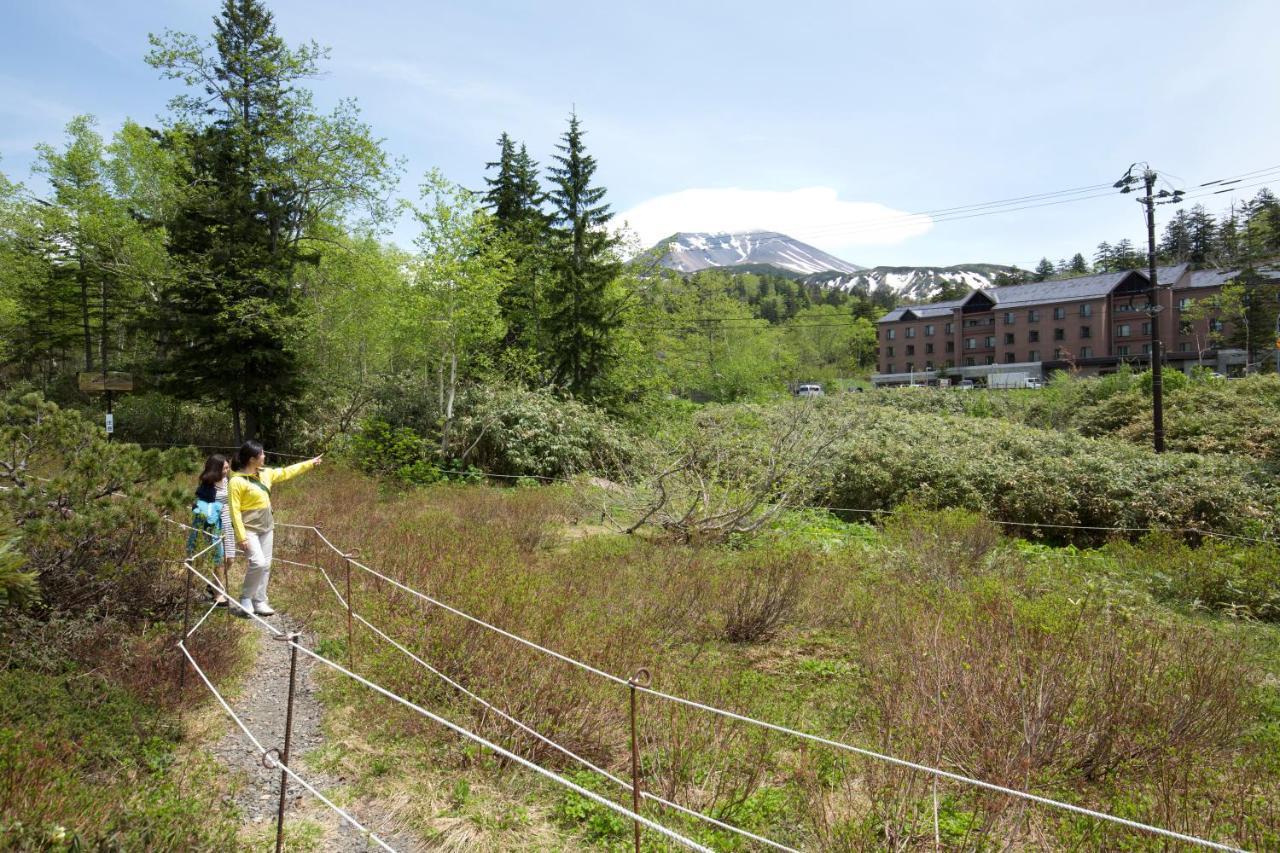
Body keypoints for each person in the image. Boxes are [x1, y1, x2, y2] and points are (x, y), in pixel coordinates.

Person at [228, 441, 322, 617]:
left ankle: (260, 600)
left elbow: (287, 472)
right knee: (258, 563)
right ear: (252, 459)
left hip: (267, 527)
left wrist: (310, 463)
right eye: (262, 454)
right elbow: (234, 511)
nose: (264, 456)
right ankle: (246, 598)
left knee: (266, 565)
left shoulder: (266, 474)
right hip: (249, 530)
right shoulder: (236, 482)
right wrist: (241, 537)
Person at [187, 454, 228, 604]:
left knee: (229, 559)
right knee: (219, 559)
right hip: (213, 527)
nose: (226, 471)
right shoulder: (207, 487)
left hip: (228, 524)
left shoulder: (228, 482)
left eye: (227, 467)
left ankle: (211, 586)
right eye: (224, 468)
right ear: (215, 469)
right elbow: (203, 508)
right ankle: (218, 594)